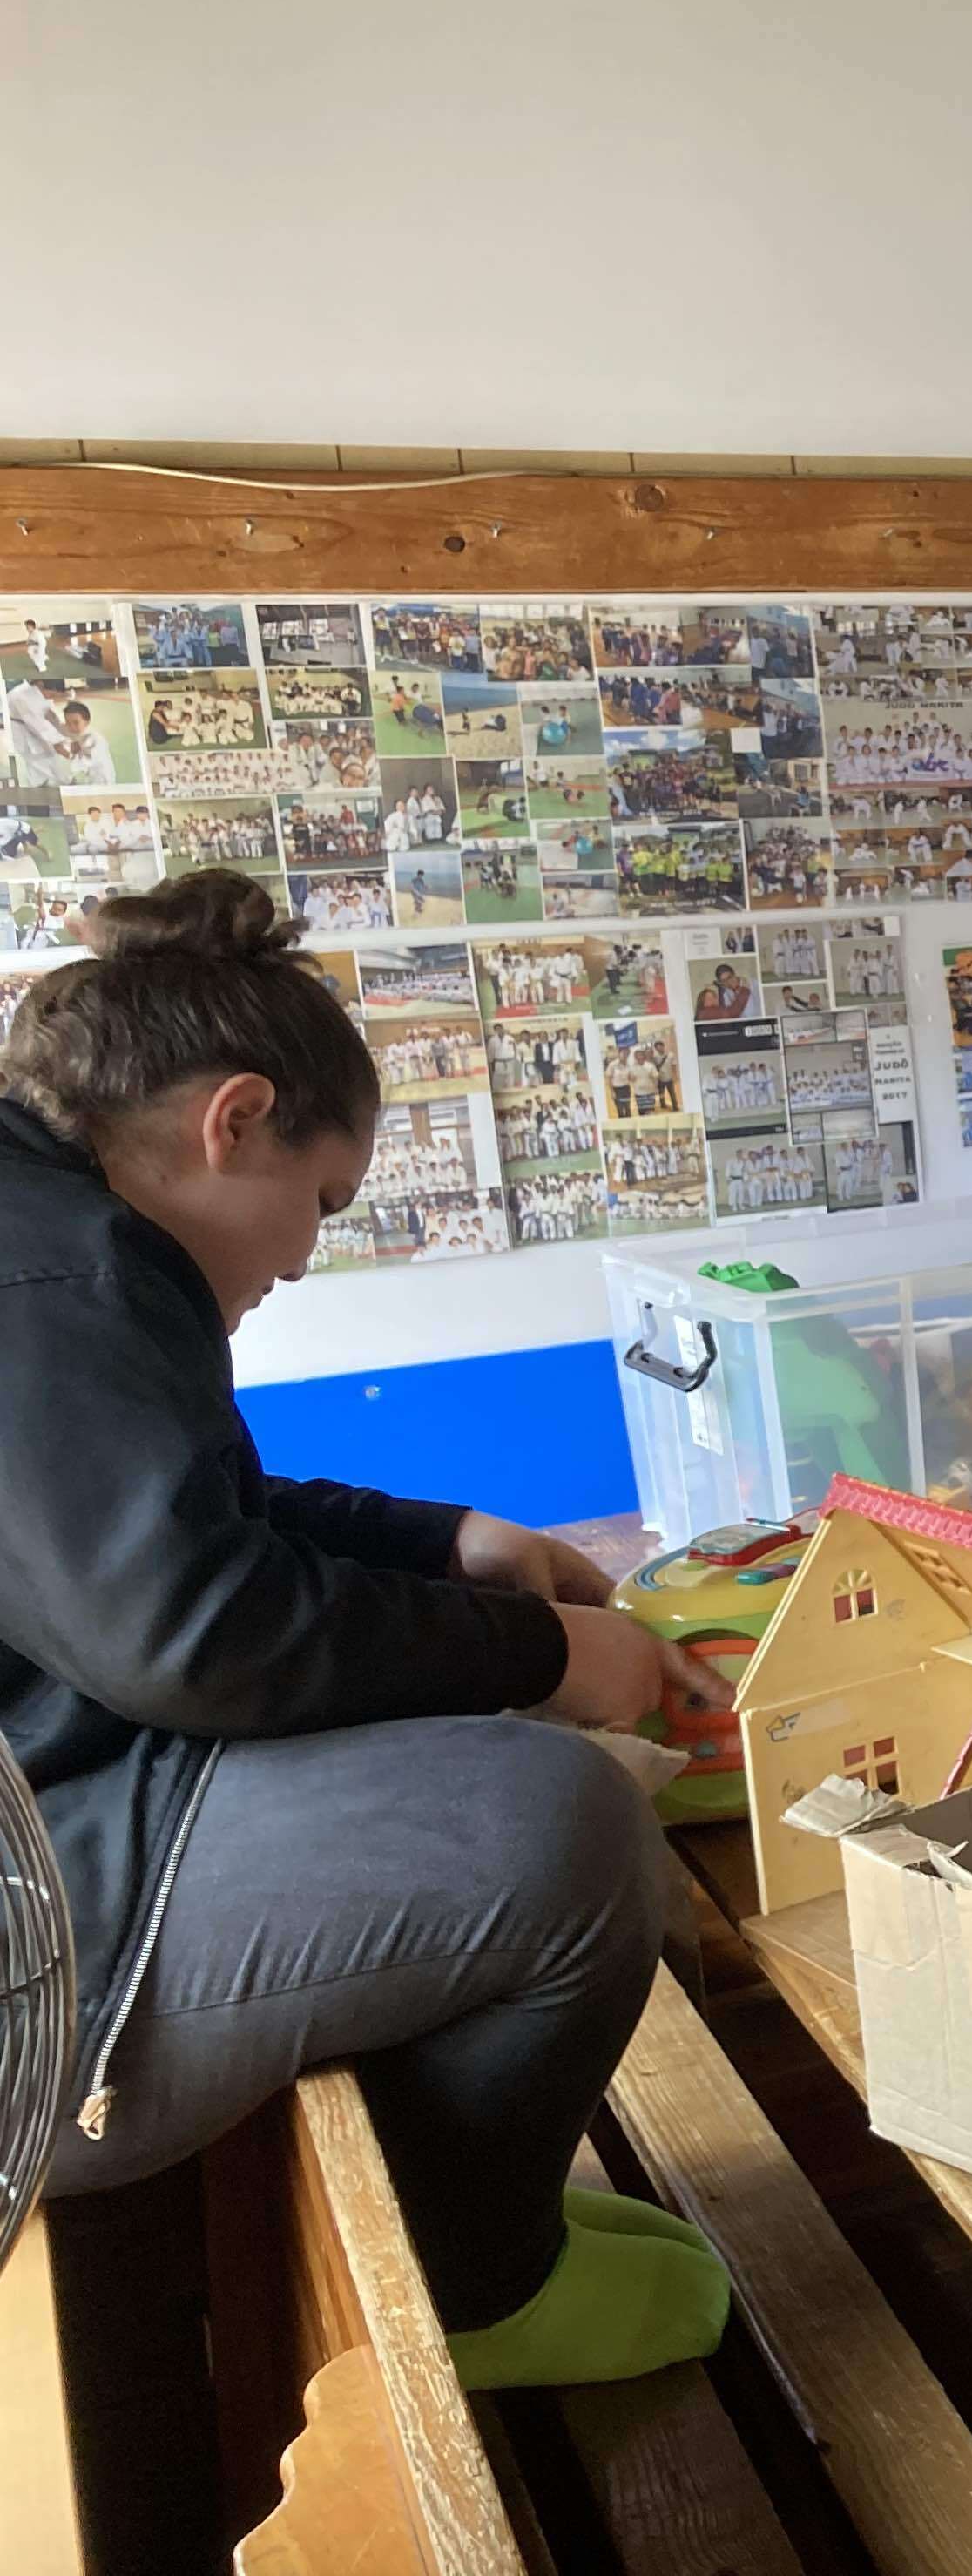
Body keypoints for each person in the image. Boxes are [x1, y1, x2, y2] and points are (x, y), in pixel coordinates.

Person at [1, 873, 739, 2394]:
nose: (301, 1258)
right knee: (563, 1822)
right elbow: (200, 1629)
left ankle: (459, 2195)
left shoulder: (50, 1231)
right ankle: (482, 2285)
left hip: (58, 1813)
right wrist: (548, 1657)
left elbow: (199, 1515)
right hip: (33, 1968)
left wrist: (447, 1540)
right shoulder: (62, 1269)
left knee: (461, 1747)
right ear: (235, 1119)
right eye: (322, 1201)